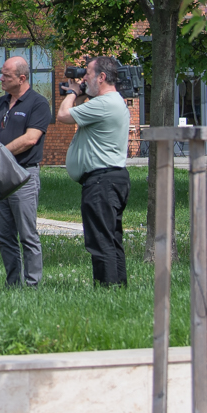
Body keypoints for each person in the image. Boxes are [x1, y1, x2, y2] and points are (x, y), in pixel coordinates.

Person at [58, 56, 132, 286]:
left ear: (102, 77)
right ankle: (118, 288)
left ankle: (106, 289)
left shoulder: (104, 104)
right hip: (111, 179)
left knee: (100, 240)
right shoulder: (112, 102)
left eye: (88, 74)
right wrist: (82, 93)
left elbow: (63, 115)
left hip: (102, 182)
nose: (84, 79)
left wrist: (72, 93)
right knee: (111, 238)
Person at [0, 55, 52, 287]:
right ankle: (13, 283)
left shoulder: (38, 103)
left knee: (27, 234)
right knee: (4, 235)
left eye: (6, 75)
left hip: (24, 175)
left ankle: (32, 284)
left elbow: (30, 139)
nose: (1, 79)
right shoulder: (0, 103)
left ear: (22, 78)